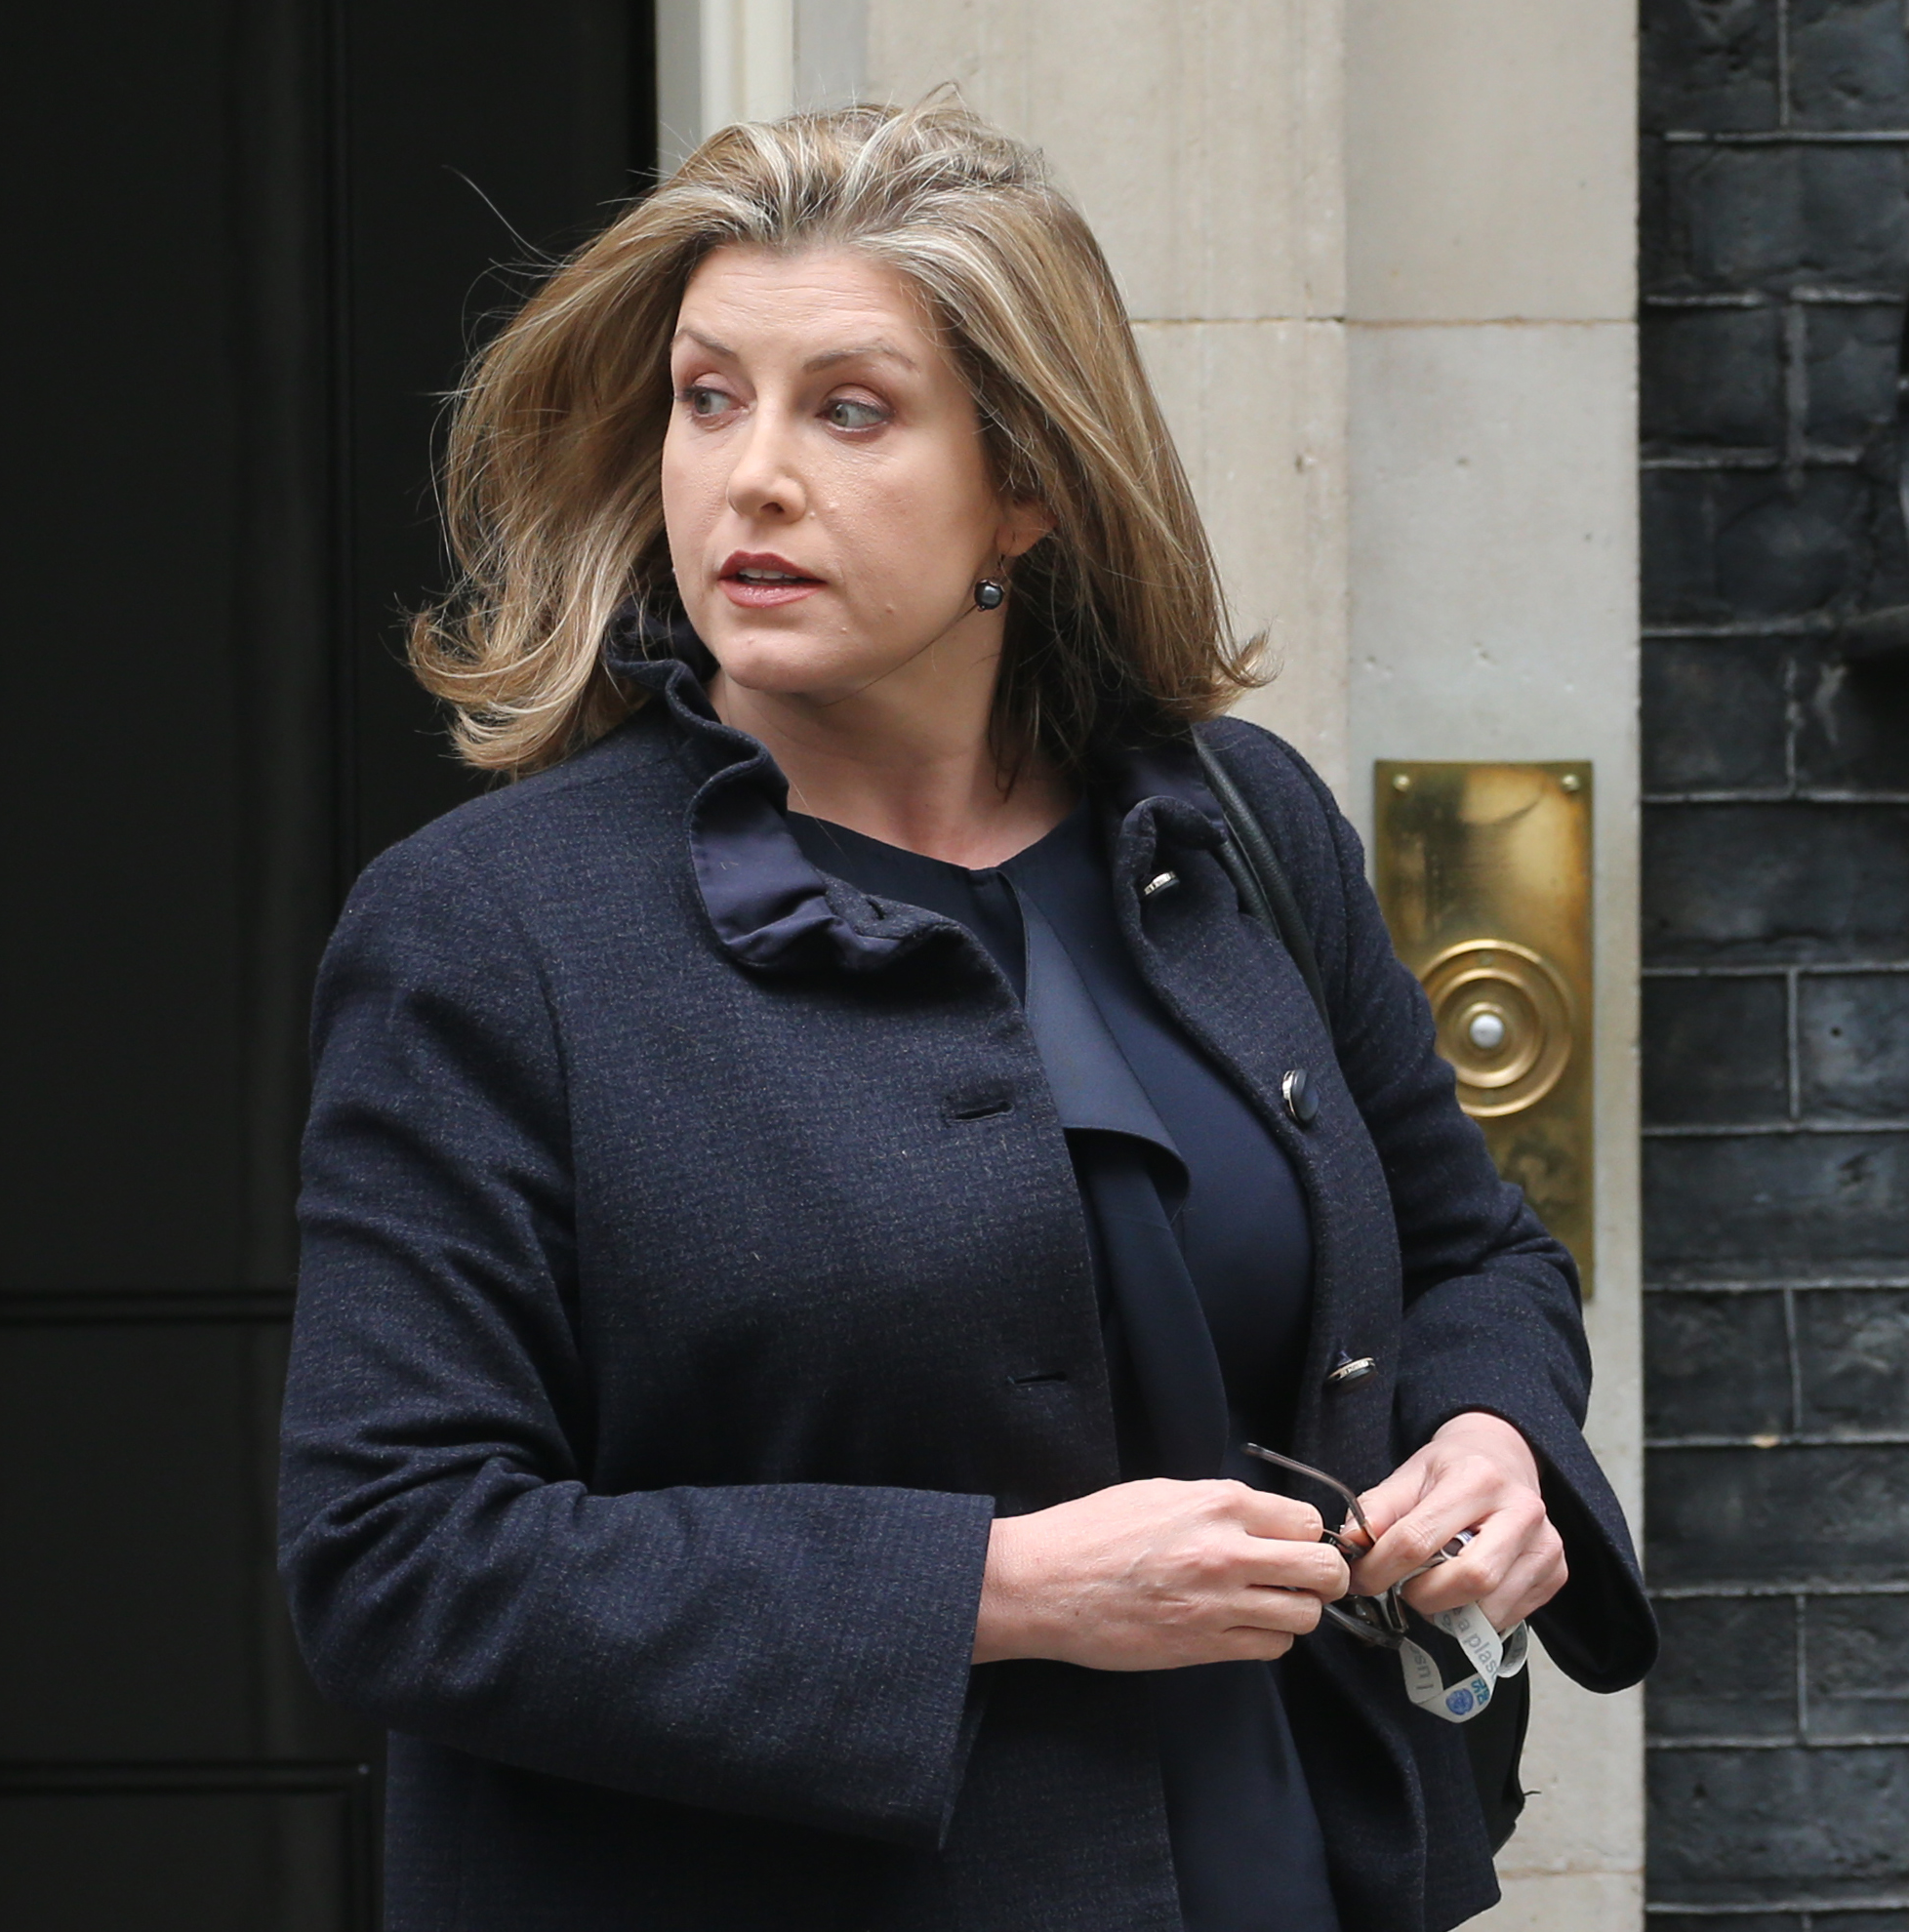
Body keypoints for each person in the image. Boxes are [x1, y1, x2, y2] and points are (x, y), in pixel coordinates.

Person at [277, 99, 1654, 1932]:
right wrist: (994, 1588)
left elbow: (1471, 1251)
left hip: (1294, 1869)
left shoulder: (1238, 825)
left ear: (1029, 483)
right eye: (706, 399)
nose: (748, 478)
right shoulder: (486, 932)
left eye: (847, 410)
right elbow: (396, 1557)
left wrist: (1493, 1438)